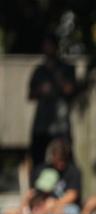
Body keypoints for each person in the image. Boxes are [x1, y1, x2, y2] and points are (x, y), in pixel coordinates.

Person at [28, 34, 76, 168]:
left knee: (66, 153)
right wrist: (41, 90)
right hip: (42, 122)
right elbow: (30, 95)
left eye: (49, 45)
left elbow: (70, 90)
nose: (47, 49)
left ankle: (69, 184)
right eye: (45, 46)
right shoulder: (39, 70)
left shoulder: (66, 68)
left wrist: (56, 76)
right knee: (38, 156)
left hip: (60, 121)